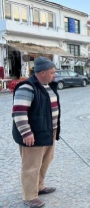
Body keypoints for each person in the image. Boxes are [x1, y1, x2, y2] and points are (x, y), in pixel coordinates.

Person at [12, 57, 60, 208]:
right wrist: (26, 133)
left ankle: (38, 186)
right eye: (52, 72)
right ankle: (29, 196)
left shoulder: (46, 85)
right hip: (33, 134)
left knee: (45, 162)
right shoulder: (26, 87)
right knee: (31, 166)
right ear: (43, 72)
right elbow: (19, 113)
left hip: (47, 131)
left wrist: (55, 127)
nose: (54, 76)